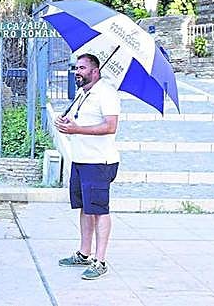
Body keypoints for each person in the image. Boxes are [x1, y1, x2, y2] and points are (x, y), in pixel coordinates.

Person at [54, 53, 120, 280]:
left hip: (99, 162)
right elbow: (77, 121)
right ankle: (84, 253)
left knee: (100, 210)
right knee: (85, 207)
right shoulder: (83, 93)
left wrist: (77, 130)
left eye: (82, 68)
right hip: (81, 159)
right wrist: (64, 123)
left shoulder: (107, 93)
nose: (77, 72)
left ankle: (100, 260)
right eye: (76, 68)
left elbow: (110, 126)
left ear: (95, 70)